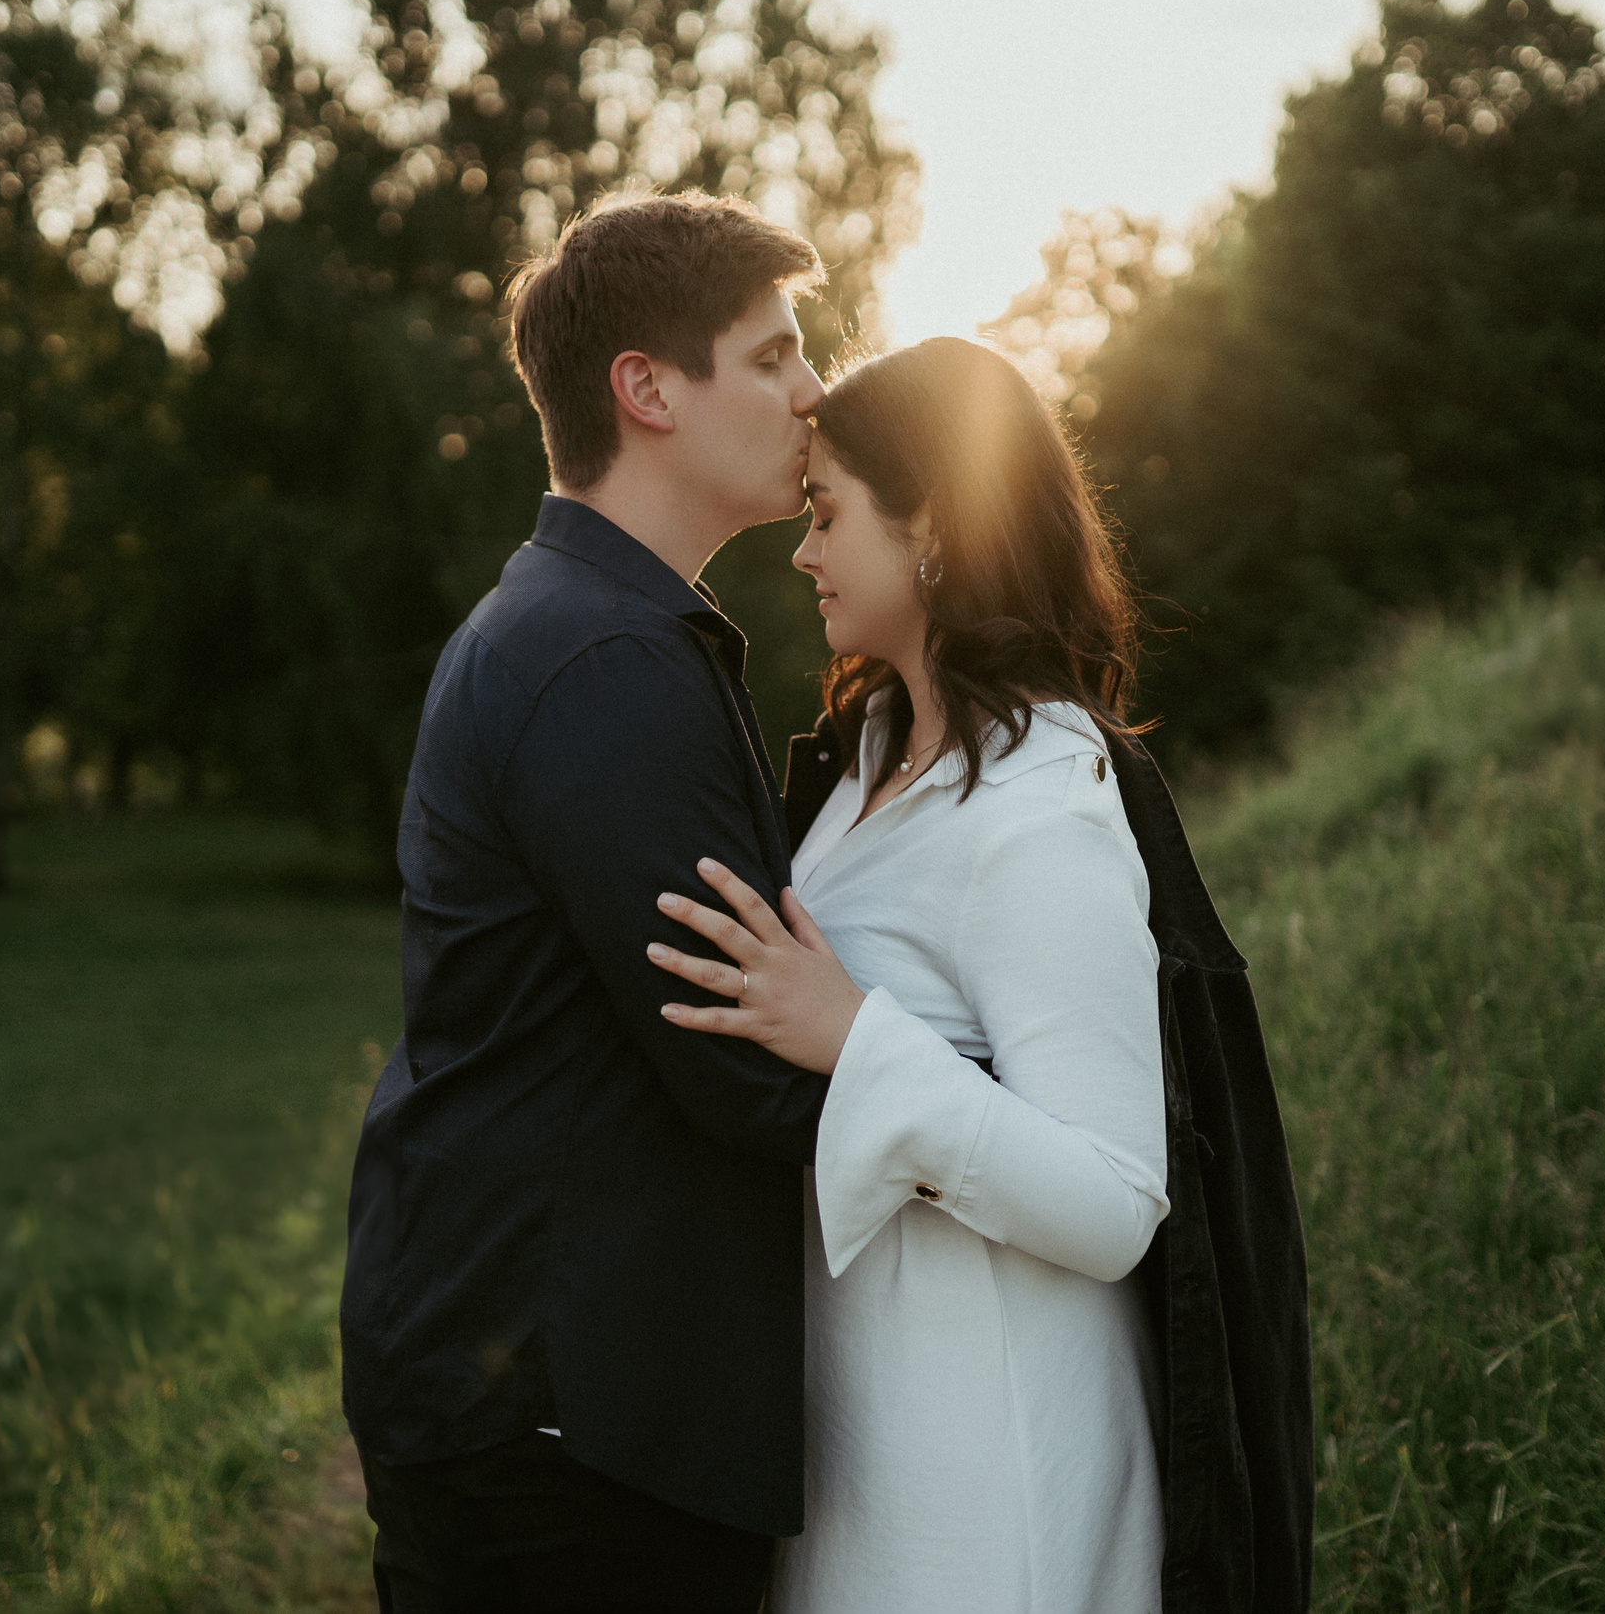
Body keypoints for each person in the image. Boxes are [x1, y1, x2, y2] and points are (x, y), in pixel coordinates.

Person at [651, 337, 1315, 1612]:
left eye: (827, 514)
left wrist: (857, 1038)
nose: (801, 553)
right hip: (871, 1426)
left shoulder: (1038, 809)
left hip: (993, 1475)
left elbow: (1116, 1198)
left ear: (935, 529)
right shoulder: (868, 756)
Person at [337, 191, 834, 1613]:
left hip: (530, 1388)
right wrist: (1002, 1106)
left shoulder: (576, 620)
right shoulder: (605, 661)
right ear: (648, 390)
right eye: (773, 356)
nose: (813, 393)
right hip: (566, 1431)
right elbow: (747, 1064)